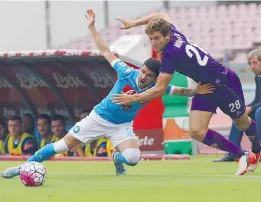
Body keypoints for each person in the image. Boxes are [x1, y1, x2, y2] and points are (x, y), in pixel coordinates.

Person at [2, 9, 214, 179]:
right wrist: (92, 28)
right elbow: (105, 51)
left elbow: (179, 90)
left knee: (133, 157)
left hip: (122, 127)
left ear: (154, 78)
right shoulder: (126, 72)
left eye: (148, 75)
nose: (143, 77)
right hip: (98, 118)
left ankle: (118, 159)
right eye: (143, 72)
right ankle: (24, 167)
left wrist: (196, 90)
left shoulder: (157, 87)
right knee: (61, 146)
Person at [111, 12, 260, 176]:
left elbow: (160, 89)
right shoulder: (172, 31)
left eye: (157, 38)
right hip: (206, 87)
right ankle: (242, 155)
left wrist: (132, 98)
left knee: (242, 122)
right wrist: (135, 22)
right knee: (196, 131)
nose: (153, 43)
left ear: (167, 36)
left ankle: (257, 150)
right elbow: (161, 15)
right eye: (151, 38)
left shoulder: (170, 55)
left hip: (225, 83)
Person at [213, 49, 261, 165]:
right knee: (239, 113)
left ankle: (257, 150)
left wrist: (251, 108)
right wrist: (246, 107)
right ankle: (233, 152)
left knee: (258, 111)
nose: (252, 66)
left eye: (255, 63)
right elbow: (258, 99)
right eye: (250, 63)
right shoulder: (258, 77)